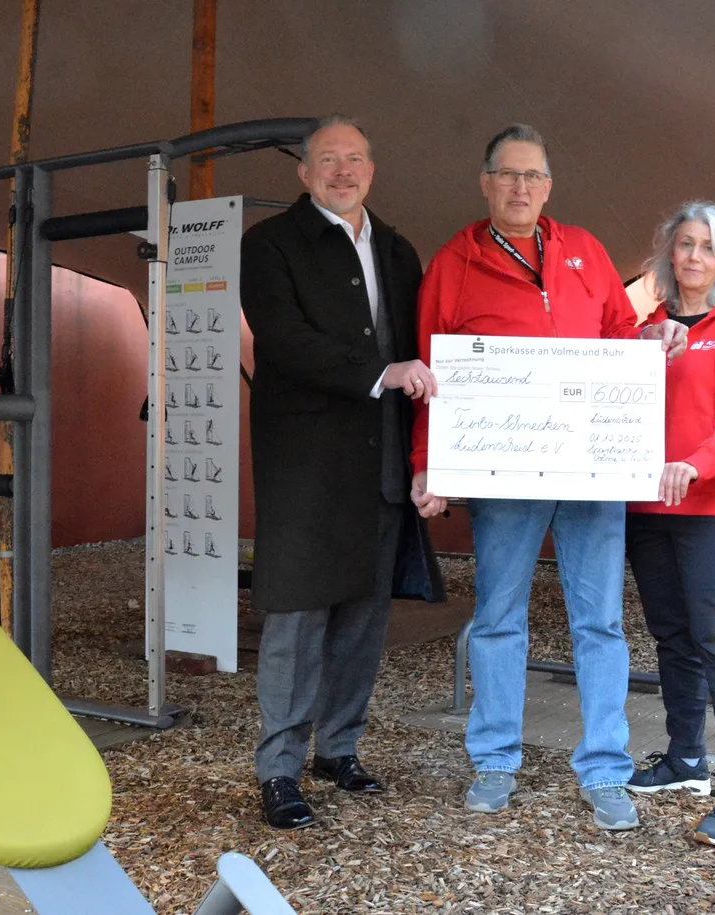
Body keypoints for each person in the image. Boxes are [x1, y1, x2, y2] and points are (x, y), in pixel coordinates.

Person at [409, 124, 686, 831]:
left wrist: (650, 336)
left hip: (590, 469)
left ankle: (606, 769)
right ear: (485, 182)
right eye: (508, 174)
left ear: (549, 186)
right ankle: (494, 761)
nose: (520, 187)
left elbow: (618, 337)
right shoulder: (454, 262)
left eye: (533, 175)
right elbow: (431, 374)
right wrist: (427, 464)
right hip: (505, 472)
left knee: (600, 622)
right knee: (498, 617)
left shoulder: (584, 250)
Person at [238, 115, 442, 830]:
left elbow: (424, 350)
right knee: (297, 616)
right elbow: (284, 340)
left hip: (381, 461)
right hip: (306, 466)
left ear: (372, 170)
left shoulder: (397, 249)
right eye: (328, 159)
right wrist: (379, 372)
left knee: (364, 614)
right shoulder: (269, 244)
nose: (343, 171)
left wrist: (429, 459)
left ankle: (339, 748)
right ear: (304, 172)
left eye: (354, 158)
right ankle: (279, 768)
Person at [623, 201, 715, 847]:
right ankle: (686, 757)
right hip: (647, 507)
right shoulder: (646, 330)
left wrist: (698, 463)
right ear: (668, 253)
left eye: (706, 246)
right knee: (672, 637)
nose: (693, 255)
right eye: (684, 243)